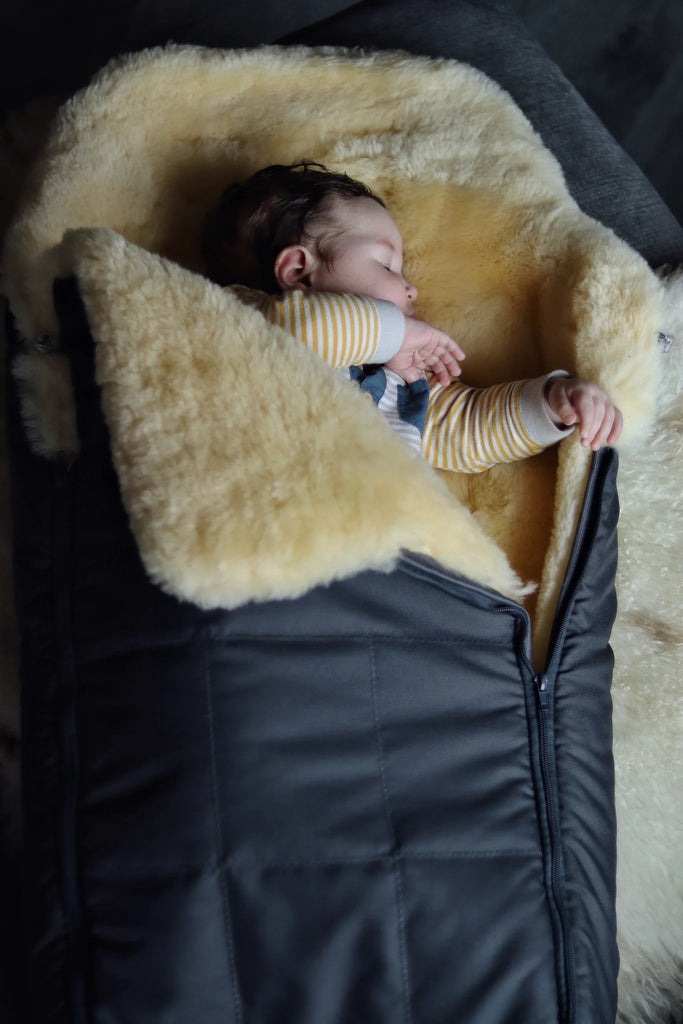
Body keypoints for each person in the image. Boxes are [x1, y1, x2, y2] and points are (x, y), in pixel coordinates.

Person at [202, 162, 622, 470]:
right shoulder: (247, 316)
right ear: (298, 272)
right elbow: (298, 334)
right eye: (386, 265)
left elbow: (464, 432)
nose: (411, 289)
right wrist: (397, 335)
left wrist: (552, 403)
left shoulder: (400, 380)